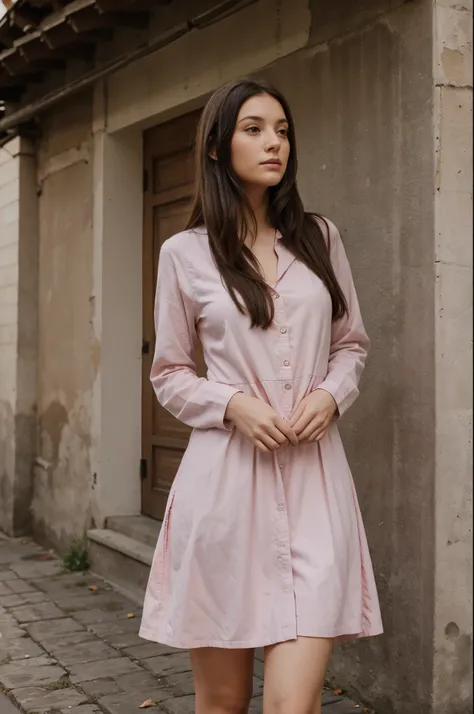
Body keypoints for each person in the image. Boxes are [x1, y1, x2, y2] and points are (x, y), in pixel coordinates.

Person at [139, 78, 383, 714]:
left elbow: (350, 344)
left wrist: (331, 395)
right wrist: (231, 405)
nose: (275, 142)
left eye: (282, 130)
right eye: (254, 129)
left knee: (291, 707)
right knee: (221, 704)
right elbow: (168, 372)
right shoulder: (183, 254)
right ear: (218, 148)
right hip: (223, 492)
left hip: (314, 483)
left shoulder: (320, 238)